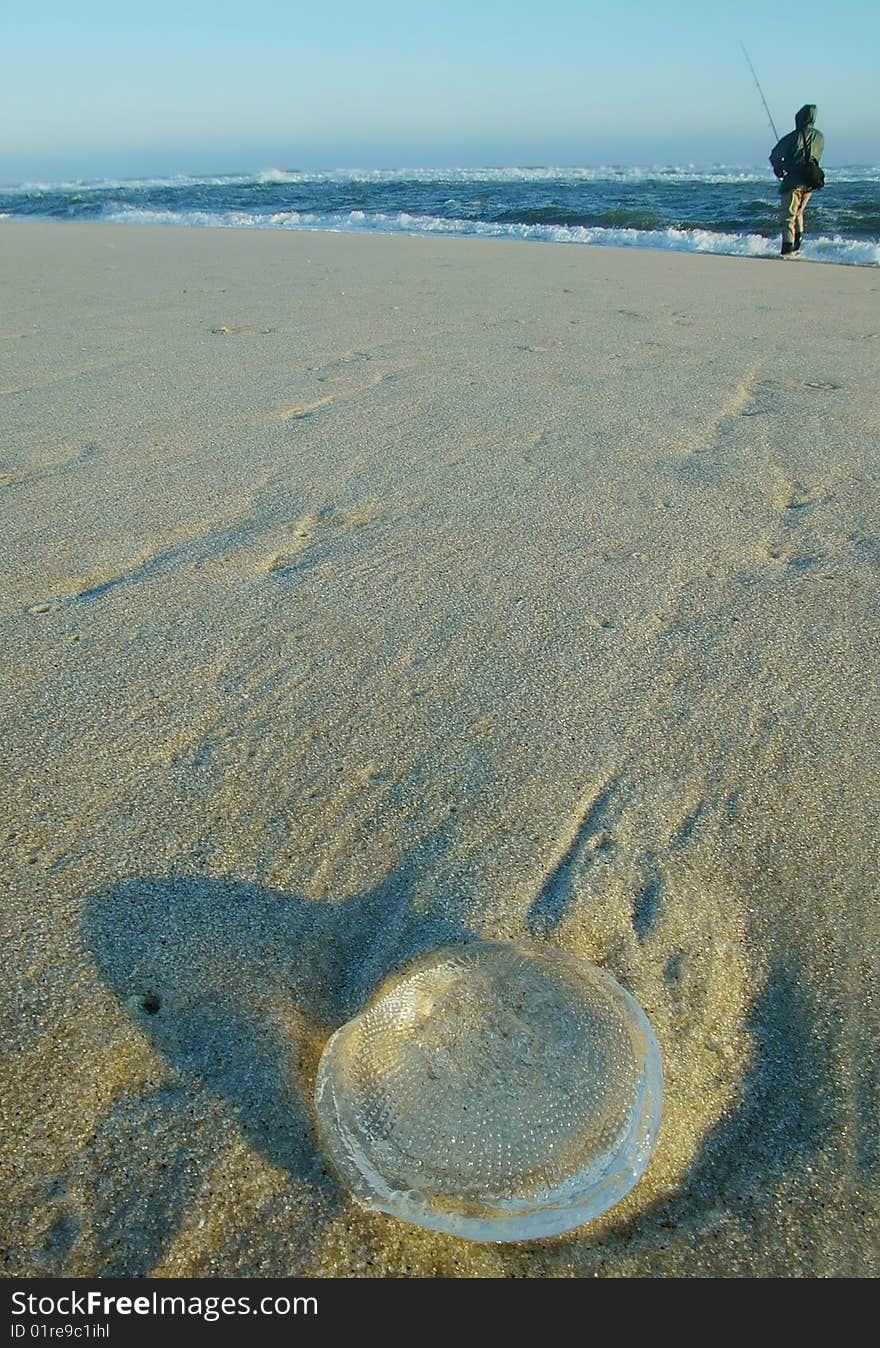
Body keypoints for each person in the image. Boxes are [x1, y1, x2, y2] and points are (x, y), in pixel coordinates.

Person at [769, 104, 824, 256]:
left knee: (788, 216)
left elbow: (774, 155)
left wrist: (778, 167)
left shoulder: (794, 136)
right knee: (799, 212)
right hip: (811, 180)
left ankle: (787, 249)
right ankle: (798, 246)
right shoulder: (820, 137)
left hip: (793, 181)